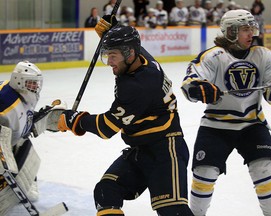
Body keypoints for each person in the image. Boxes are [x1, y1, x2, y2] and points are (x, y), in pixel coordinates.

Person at [57, 18, 193, 215]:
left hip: (165, 149)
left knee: (173, 211)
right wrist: (114, 29)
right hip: (141, 148)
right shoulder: (141, 59)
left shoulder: (137, 85)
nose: (109, 62)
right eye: (107, 55)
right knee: (107, 191)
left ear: (129, 53)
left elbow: (106, 127)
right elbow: (133, 42)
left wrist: (75, 120)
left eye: (113, 55)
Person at [181, 9, 271, 216]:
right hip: (215, 126)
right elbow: (190, 82)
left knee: (265, 171)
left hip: (252, 125)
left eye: (252, 28)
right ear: (230, 31)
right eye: (245, 29)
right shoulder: (213, 56)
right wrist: (197, 88)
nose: (251, 34)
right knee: (203, 175)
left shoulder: (263, 55)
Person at [0, 61, 66, 215]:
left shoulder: (20, 97)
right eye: (31, 84)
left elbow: (23, 126)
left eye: (36, 84)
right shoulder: (5, 100)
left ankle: (26, 182)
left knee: (24, 145)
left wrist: (45, 117)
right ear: (19, 81)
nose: (35, 88)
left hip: (8, 144)